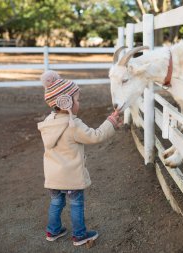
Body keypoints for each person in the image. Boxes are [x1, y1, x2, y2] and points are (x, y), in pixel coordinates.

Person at [37, 70, 122, 245]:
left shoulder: (48, 123)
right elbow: (95, 135)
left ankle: (53, 231)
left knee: (56, 202)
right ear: (66, 102)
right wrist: (111, 123)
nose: (79, 103)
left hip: (53, 176)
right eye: (77, 99)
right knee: (76, 204)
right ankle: (80, 235)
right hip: (71, 177)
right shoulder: (73, 124)